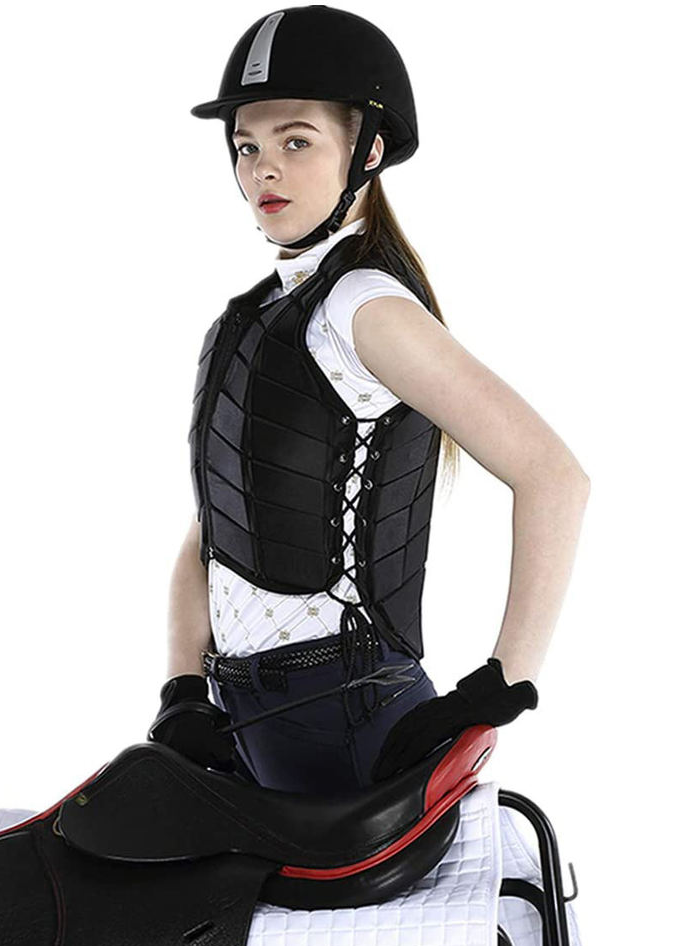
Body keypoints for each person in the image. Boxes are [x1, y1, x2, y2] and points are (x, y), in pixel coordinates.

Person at [149, 6, 590, 794]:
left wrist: (500, 687)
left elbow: (554, 476)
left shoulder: (365, 307)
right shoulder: (247, 319)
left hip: (349, 721)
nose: (263, 170)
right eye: (247, 147)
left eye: (296, 141)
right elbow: (209, 530)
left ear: (369, 151)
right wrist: (183, 686)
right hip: (244, 721)